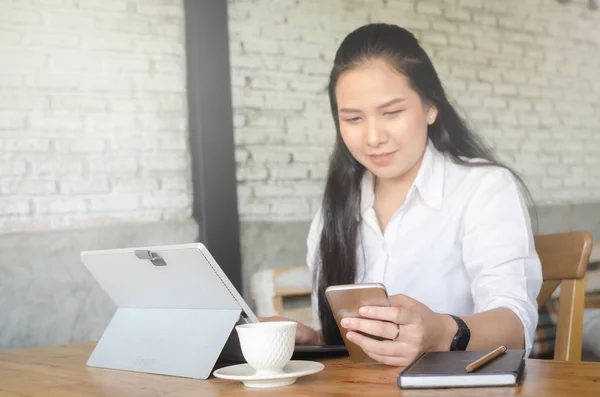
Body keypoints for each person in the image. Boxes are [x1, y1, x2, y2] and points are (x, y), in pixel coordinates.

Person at [265, 23, 543, 366]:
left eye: (391, 113)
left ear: (430, 106)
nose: (372, 137)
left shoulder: (483, 188)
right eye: (352, 118)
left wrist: (442, 332)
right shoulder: (335, 210)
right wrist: (317, 338)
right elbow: (360, 347)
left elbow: (516, 326)